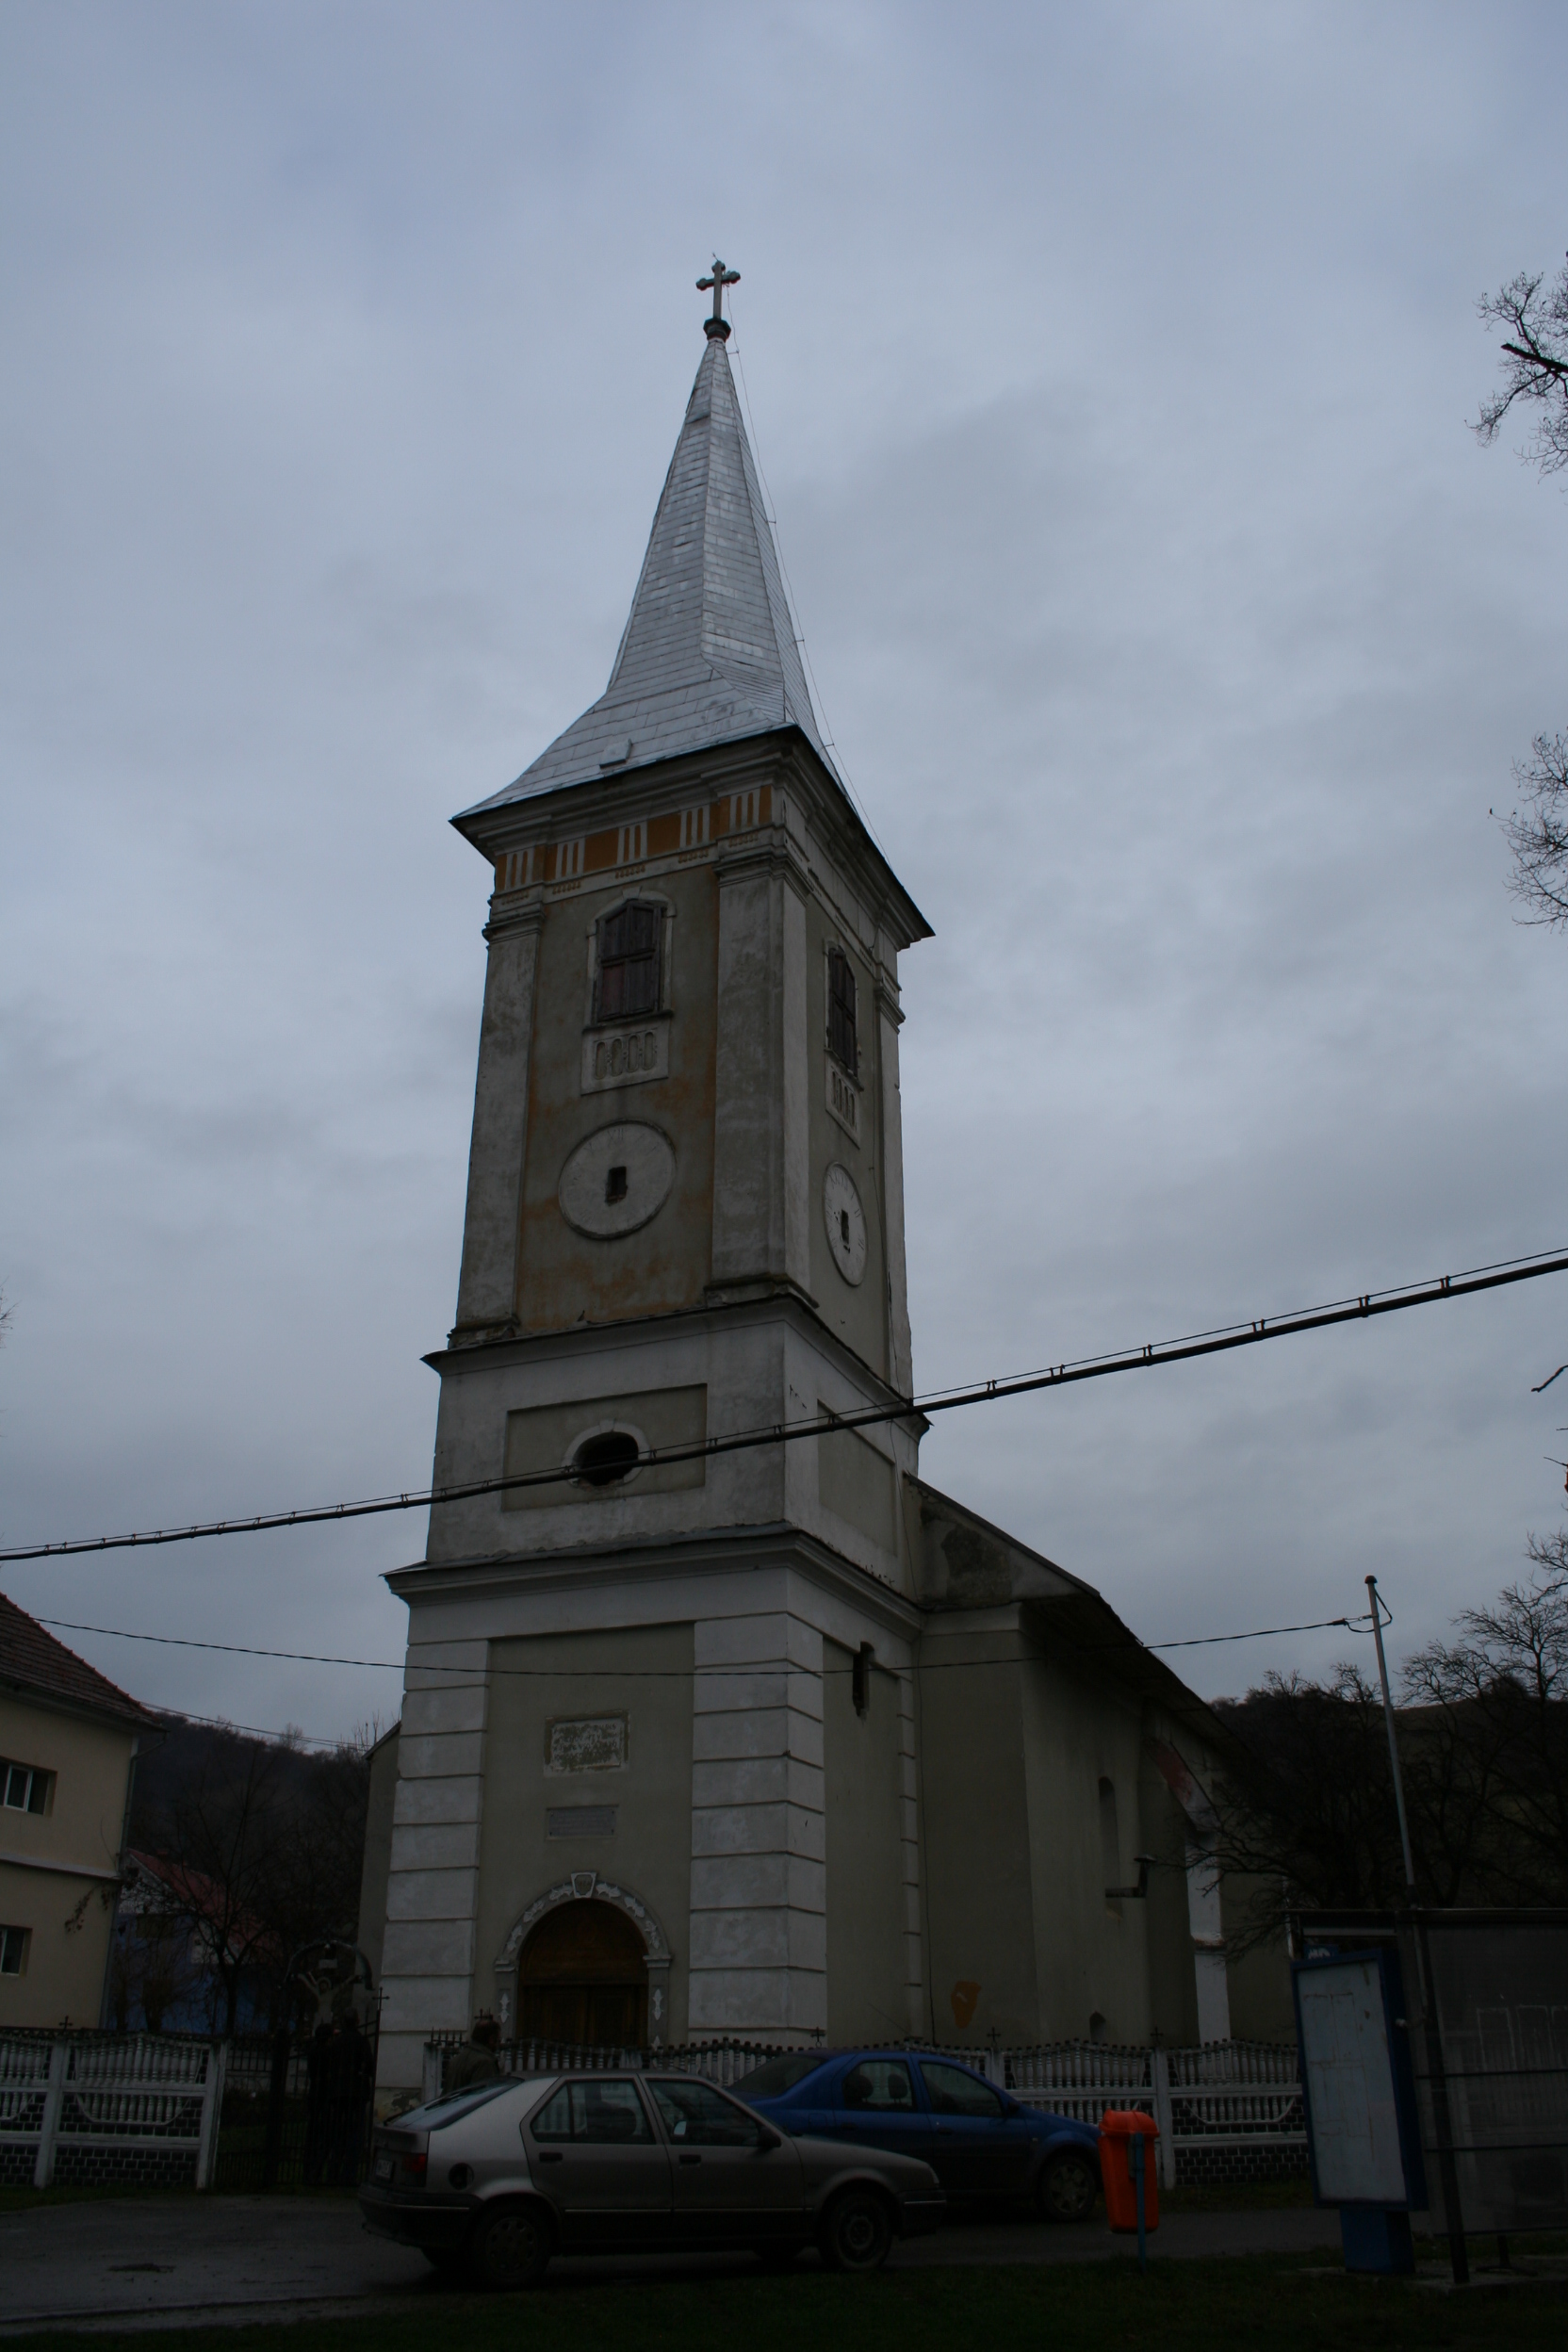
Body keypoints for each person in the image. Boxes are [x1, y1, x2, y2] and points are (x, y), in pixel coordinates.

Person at [446, 2012, 502, 2093]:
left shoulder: (456, 2060)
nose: (499, 2044)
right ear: (491, 2039)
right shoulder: (484, 2063)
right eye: (498, 2040)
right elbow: (484, 2096)